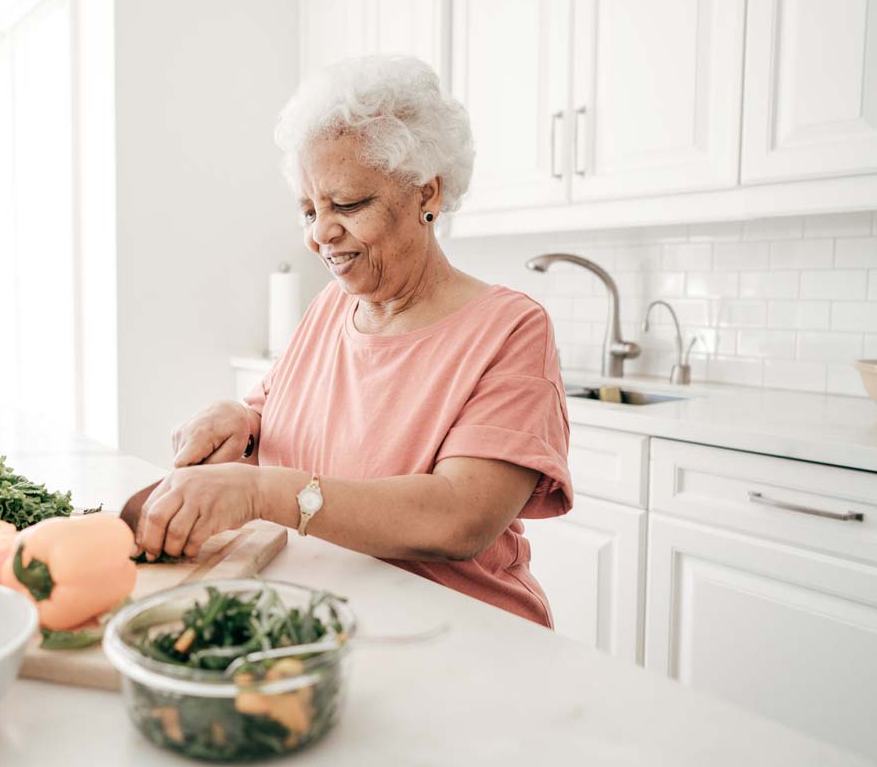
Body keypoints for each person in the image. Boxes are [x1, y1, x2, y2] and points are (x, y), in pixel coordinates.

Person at [134, 55, 572, 627]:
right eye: (309, 210)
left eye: (347, 204)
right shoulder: (331, 307)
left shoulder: (511, 329)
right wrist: (237, 419)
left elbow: (460, 517)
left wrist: (258, 492)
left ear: (426, 195)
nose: (320, 234)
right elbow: (275, 414)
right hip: (323, 618)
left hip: (461, 634)